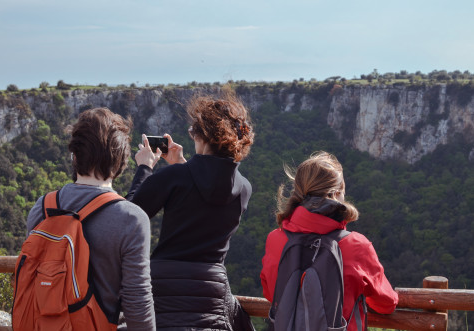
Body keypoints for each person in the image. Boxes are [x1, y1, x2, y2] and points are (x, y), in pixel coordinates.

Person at [126, 91, 256, 330]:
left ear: (201, 135)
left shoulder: (173, 178)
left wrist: (145, 168)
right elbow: (206, 197)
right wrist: (183, 166)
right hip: (211, 289)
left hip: (165, 288)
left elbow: (129, 216)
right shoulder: (244, 188)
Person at [26, 108, 156, 330]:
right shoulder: (131, 219)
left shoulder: (42, 207)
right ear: (121, 162)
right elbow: (137, 302)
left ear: (74, 156)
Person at [261, 151, 398, 330]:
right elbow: (386, 303)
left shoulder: (275, 240)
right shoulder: (357, 246)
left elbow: (271, 294)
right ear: (337, 193)